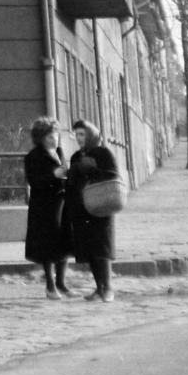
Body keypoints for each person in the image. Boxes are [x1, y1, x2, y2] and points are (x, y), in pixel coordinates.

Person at [63, 118, 120, 301]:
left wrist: (90, 169)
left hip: (101, 205)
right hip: (82, 208)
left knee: (102, 247)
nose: (79, 138)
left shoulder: (103, 153)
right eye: (77, 134)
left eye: (82, 134)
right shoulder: (75, 157)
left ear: (91, 134)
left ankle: (108, 288)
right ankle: (99, 288)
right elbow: (72, 183)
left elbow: (112, 176)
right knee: (89, 250)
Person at [23, 116, 70, 297]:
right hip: (44, 207)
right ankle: (50, 286)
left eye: (56, 135)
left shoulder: (59, 151)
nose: (55, 139)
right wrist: (54, 175)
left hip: (62, 203)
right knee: (47, 246)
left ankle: (62, 283)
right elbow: (35, 182)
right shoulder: (33, 157)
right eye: (50, 137)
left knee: (64, 243)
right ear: (41, 138)